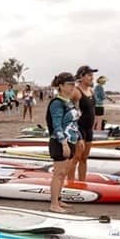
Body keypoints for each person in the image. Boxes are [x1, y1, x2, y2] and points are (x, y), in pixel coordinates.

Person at [46, 72, 81, 213]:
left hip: (71, 140)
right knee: (58, 173)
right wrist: (64, 143)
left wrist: (79, 138)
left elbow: (72, 124)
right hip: (60, 142)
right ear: (61, 86)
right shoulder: (57, 103)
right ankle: (54, 204)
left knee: (64, 173)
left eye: (74, 84)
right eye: (70, 84)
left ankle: (59, 199)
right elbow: (57, 125)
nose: (73, 86)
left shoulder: (69, 102)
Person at [69, 65, 98, 182]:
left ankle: (82, 183)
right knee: (76, 158)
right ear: (81, 76)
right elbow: (66, 106)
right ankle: (70, 183)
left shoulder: (91, 91)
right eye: (89, 75)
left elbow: (93, 109)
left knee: (84, 159)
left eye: (92, 75)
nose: (92, 78)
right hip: (79, 128)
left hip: (89, 129)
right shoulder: (76, 91)